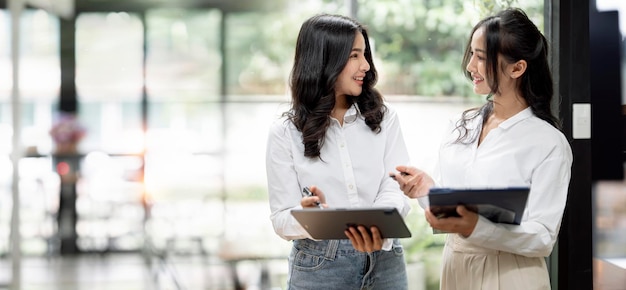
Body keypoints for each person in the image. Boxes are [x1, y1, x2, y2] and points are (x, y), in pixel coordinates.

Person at [392, 8, 573, 290]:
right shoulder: (460, 126)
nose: (470, 67)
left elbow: (543, 238)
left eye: (482, 58)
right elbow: (454, 211)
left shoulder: (548, 142)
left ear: (517, 68)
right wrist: (426, 191)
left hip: (511, 273)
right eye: (472, 54)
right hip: (455, 266)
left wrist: (475, 227)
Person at [266, 13, 411, 289]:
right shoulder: (285, 132)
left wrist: (375, 226)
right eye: (354, 55)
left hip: (386, 261)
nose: (366, 65)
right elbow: (281, 219)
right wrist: (309, 217)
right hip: (321, 267)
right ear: (325, 60)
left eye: (365, 54)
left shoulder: (384, 117)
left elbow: (395, 184)